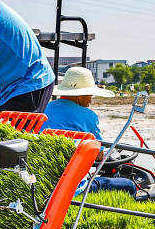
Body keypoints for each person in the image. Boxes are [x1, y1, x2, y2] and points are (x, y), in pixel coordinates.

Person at [42, 66, 140, 196]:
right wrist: (109, 154)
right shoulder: (87, 115)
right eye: (89, 95)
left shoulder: (46, 109)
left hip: (46, 180)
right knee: (129, 185)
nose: (90, 99)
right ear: (80, 96)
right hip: (73, 186)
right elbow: (98, 156)